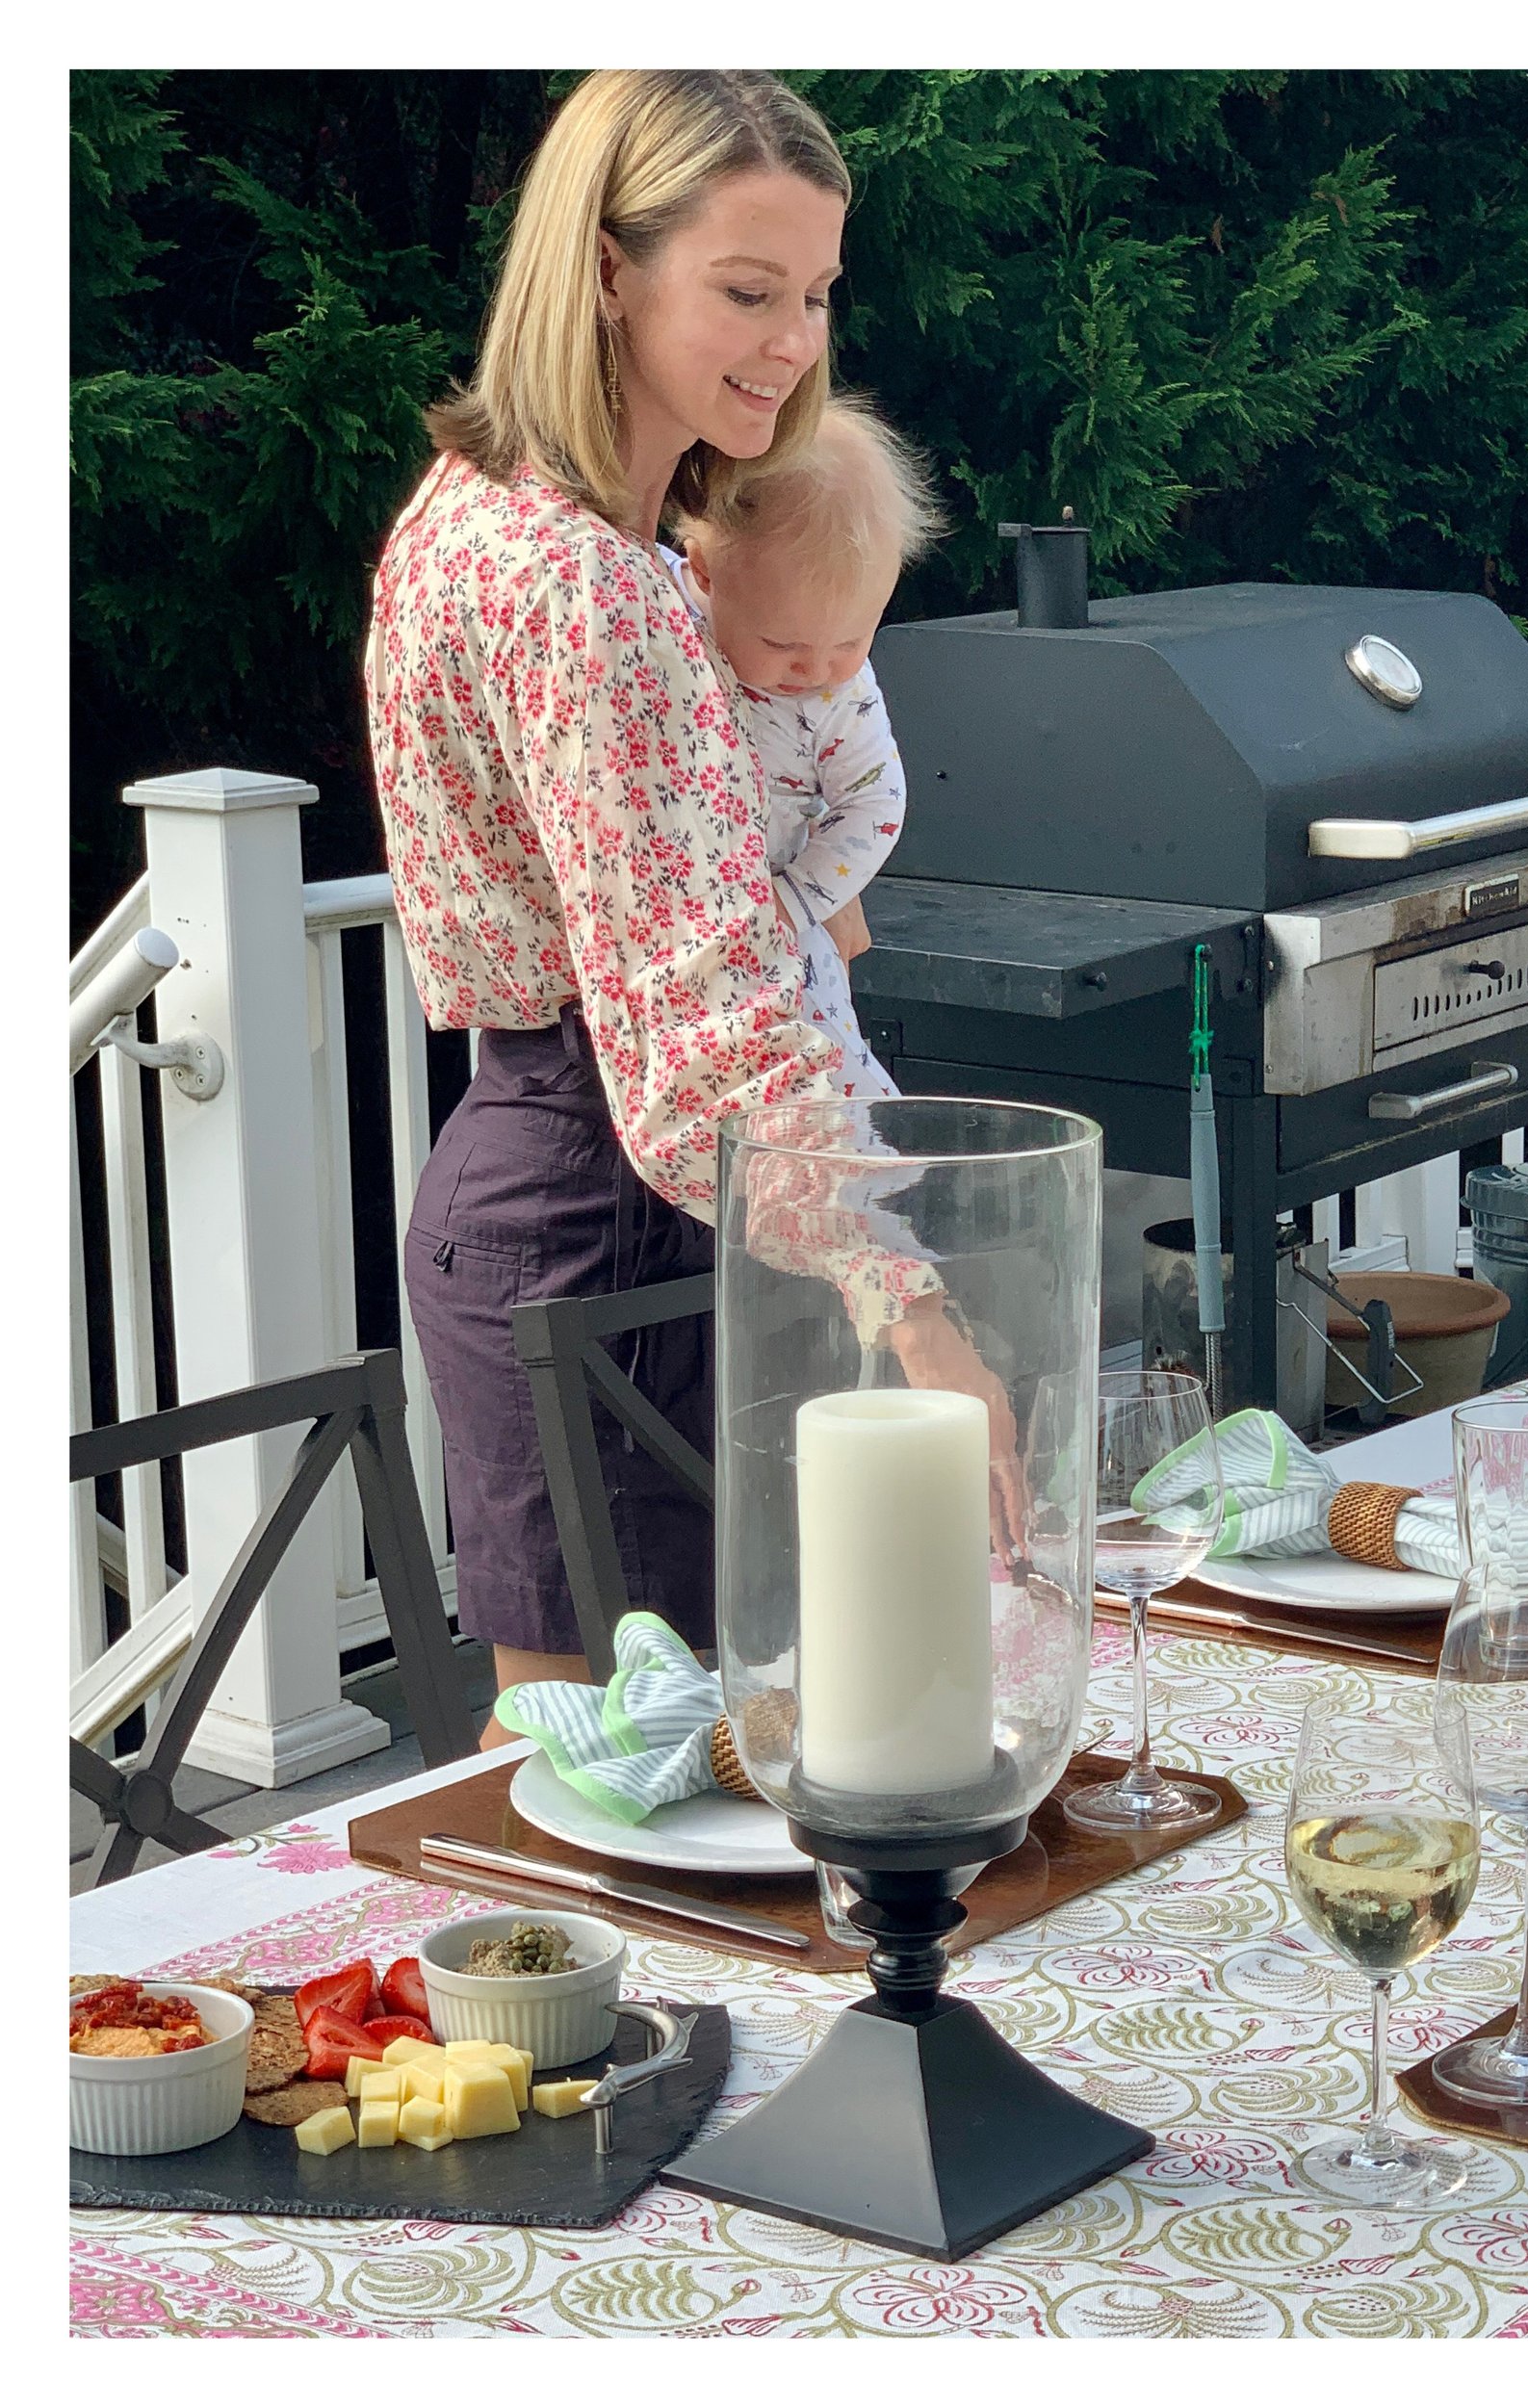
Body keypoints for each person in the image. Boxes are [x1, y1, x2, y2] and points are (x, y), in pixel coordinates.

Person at [363, 70, 1008, 1734]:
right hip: (610, 1209)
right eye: (744, 290)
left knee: (619, 1783)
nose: (792, 342)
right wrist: (914, 1307)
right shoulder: (592, 584)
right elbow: (696, 1016)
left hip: (547, 1190)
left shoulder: (481, 519)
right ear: (602, 267)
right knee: (645, 1798)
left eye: (812, 295)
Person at [660, 395, 943, 1100]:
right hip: (678, 922)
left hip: (785, 913)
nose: (815, 671)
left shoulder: (841, 694)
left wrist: (798, 898)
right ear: (703, 573)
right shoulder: (654, 603)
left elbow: (875, 800)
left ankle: (871, 1184)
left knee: (824, 1067)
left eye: (851, 640)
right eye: (784, 646)